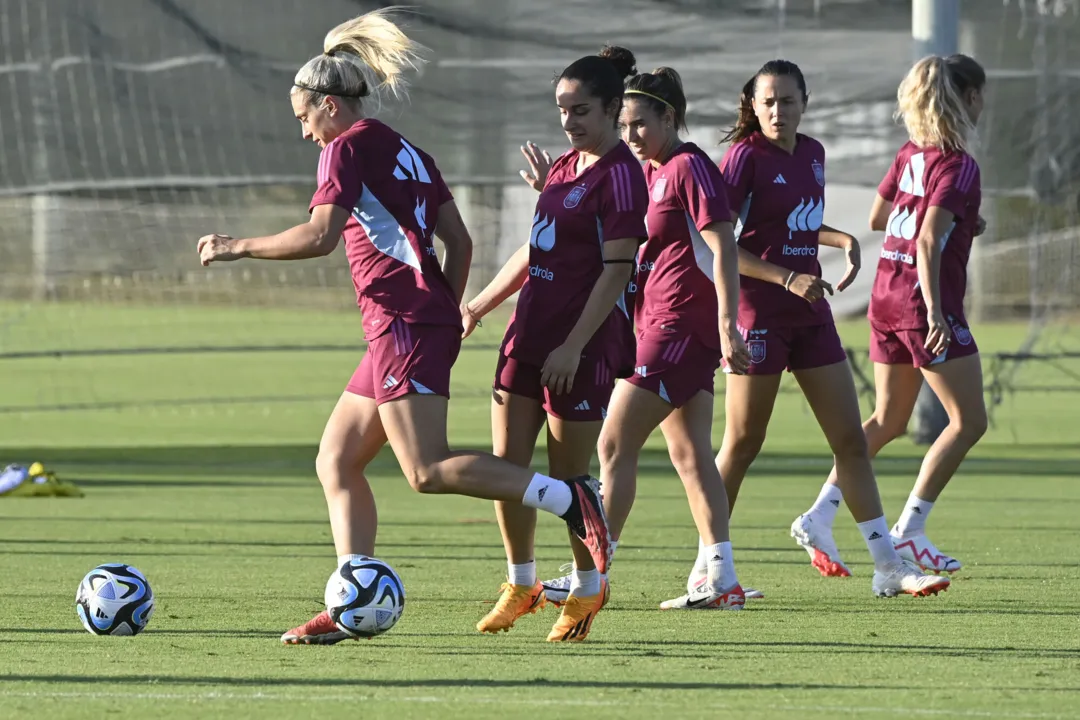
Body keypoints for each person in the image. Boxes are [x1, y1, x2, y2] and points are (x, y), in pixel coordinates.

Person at [195, 9, 612, 645]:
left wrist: (239, 247)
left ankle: (569, 500)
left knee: (425, 469)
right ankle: (351, 603)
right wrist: (443, 309)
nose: (306, 132)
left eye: (304, 117)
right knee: (336, 460)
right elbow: (460, 241)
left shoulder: (345, 148)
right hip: (412, 323)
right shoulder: (409, 149)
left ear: (329, 106)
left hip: (402, 325)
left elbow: (319, 236)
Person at [686, 60, 951, 598]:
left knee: (851, 441)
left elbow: (794, 225)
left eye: (787, 101)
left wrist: (841, 240)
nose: (778, 111)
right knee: (741, 443)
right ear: (753, 106)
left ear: (804, 103)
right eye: (768, 102)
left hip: (811, 314)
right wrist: (785, 278)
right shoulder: (743, 158)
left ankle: (888, 567)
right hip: (760, 314)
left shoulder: (812, 153)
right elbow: (721, 245)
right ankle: (707, 568)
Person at [536, 66, 755, 611]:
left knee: (612, 443)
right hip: (657, 325)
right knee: (689, 454)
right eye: (624, 124)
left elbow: (723, 246)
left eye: (640, 124)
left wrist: (729, 325)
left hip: (678, 327)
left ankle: (595, 567)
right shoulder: (651, 171)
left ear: (670, 118)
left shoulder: (688, 167)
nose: (631, 135)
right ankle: (720, 576)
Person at [461, 45, 647, 642]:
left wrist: (572, 346)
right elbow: (537, 250)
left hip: (580, 347)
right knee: (508, 468)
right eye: (563, 110)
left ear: (614, 109)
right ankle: (521, 583)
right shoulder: (566, 167)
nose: (569, 122)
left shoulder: (623, 177)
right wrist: (479, 305)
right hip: (528, 336)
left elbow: (617, 271)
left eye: (582, 110)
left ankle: (588, 589)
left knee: (570, 484)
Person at [792, 54, 988, 576]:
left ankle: (819, 514)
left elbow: (883, 217)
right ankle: (910, 529)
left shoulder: (910, 153)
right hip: (922, 305)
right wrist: (937, 312)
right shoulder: (958, 163)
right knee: (969, 421)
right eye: (980, 95)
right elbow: (926, 237)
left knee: (888, 420)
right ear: (968, 99)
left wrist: (965, 219)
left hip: (885, 297)